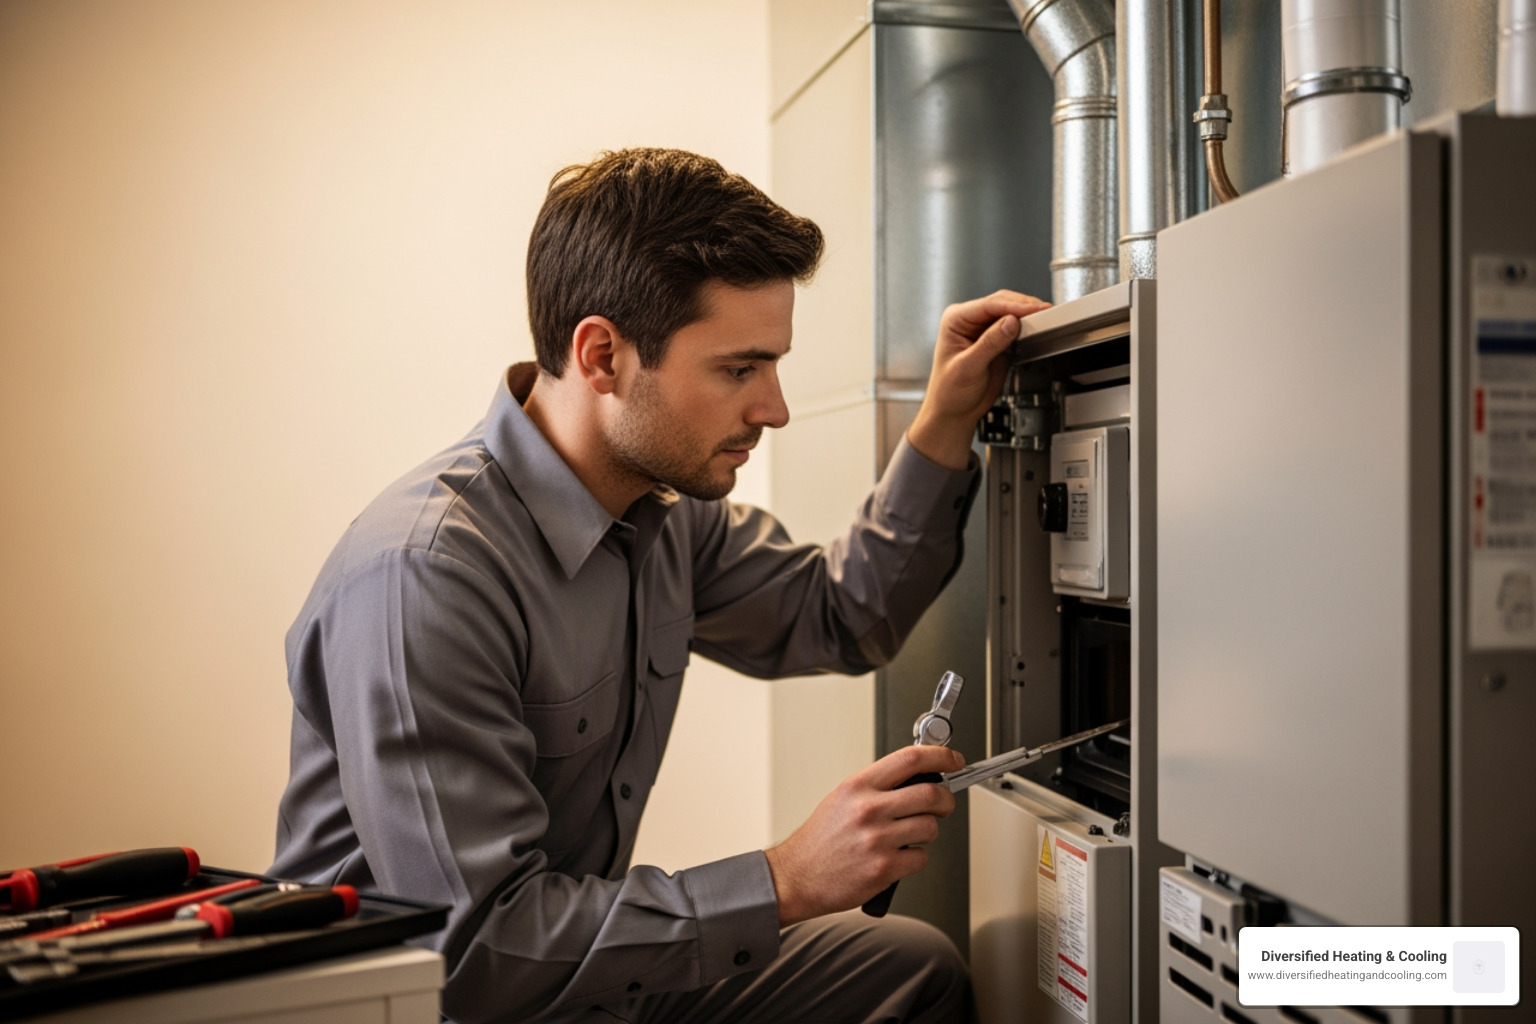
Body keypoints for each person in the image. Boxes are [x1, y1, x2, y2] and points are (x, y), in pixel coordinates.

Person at [269, 147, 1048, 1024]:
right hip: (451, 1004)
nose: (775, 408)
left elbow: (843, 614)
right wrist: (785, 879)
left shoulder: (661, 516)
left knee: (905, 967)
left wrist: (946, 417)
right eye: (739, 369)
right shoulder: (427, 575)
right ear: (602, 355)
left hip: (568, 985)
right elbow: (475, 950)